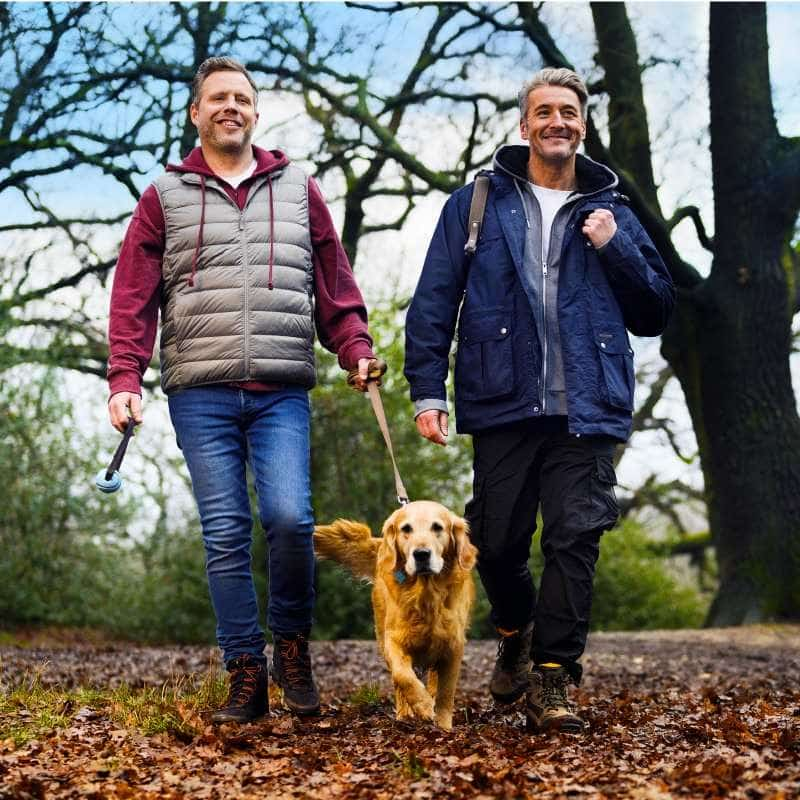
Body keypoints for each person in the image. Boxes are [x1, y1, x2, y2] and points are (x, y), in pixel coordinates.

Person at [107, 57, 379, 723]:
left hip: (282, 387)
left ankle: (291, 649)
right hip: (200, 390)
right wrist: (124, 378)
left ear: (255, 112)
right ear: (195, 113)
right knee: (225, 532)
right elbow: (134, 300)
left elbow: (334, 287)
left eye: (243, 98)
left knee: (290, 520)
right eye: (217, 98)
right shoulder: (163, 197)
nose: (231, 107)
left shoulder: (298, 189)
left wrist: (356, 347)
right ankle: (245, 672)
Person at [404, 68, 675, 732]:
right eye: (545, 112)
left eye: (570, 112)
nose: (558, 121)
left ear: (583, 125)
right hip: (501, 398)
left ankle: (554, 680)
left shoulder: (615, 211)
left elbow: (657, 309)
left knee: (575, 538)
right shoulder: (476, 202)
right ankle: (516, 633)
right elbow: (434, 301)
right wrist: (424, 391)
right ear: (524, 125)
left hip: (589, 403)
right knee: (494, 545)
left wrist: (616, 250)